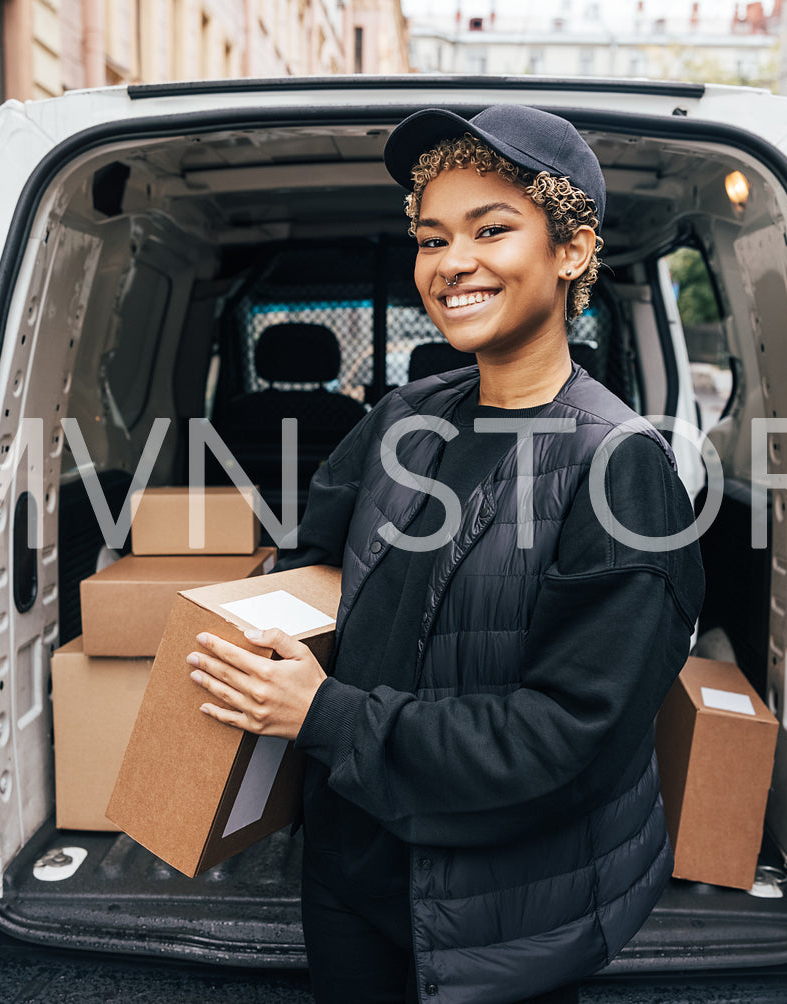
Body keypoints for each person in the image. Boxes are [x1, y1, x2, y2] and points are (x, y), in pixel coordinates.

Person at [185, 104, 706, 1004]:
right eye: (431, 238)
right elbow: (315, 563)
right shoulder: (403, 416)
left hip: (499, 909)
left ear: (572, 251)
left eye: (491, 229)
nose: (450, 263)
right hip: (352, 865)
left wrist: (324, 716)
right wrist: (258, 627)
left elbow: (565, 736)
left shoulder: (618, 468)